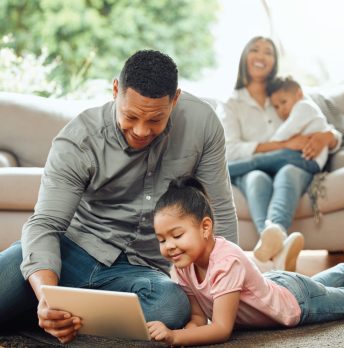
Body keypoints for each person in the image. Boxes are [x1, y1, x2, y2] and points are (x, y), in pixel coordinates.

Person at [0, 50, 238, 344]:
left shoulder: (202, 125)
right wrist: (48, 296)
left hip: (140, 273)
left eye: (155, 120)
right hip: (71, 252)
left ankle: (41, 318)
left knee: (171, 306)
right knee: (19, 268)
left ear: (174, 100)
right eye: (131, 116)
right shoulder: (79, 140)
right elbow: (45, 225)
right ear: (116, 91)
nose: (141, 130)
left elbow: (220, 212)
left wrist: (227, 290)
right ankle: (49, 313)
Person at [147, 176, 344, 347]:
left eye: (176, 236)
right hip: (277, 284)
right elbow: (198, 317)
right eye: (162, 240)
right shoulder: (183, 264)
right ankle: (343, 271)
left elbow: (222, 329)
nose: (169, 246)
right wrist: (185, 335)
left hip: (297, 302)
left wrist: (175, 336)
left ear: (205, 227)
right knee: (318, 289)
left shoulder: (226, 262)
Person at [218, 36, 342, 267]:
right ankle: (276, 245)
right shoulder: (230, 103)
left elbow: (326, 127)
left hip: (293, 165)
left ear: (274, 61)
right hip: (254, 169)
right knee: (256, 177)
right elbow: (232, 149)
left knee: (289, 172)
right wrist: (284, 145)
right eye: (255, 50)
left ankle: (273, 241)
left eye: (269, 52)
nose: (261, 56)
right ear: (245, 56)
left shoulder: (286, 95)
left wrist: (328, 137)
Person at [228, 76, 331, 179]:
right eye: (276, 107)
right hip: (306, 159)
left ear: (299, 94)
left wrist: (274, 144)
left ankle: (218, 172)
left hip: (308, 159)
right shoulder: (305, 109)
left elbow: (286, 131)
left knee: (257, 161)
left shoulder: (303, 107)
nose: (281, 110)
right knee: (260, 163)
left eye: (283, 102)